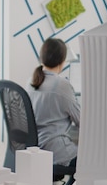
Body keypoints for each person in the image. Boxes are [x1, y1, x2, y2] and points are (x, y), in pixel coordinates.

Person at [27, 38, 80, 168]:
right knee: (92, 158)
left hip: (35, 150)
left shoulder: (31, 82)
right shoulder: (62, 85)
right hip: (57, 152)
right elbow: (82, 121)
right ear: (62, 61)